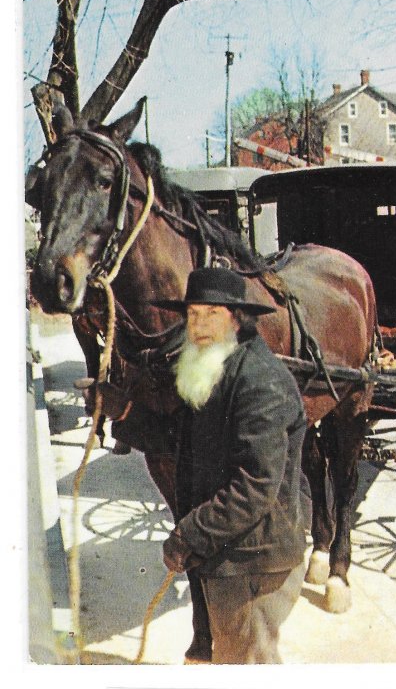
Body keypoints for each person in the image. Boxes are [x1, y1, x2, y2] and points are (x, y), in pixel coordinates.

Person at [80, 267, 308, 664]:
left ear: (237, 319)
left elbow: (255, 486)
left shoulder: (258, 381)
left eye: (212, 314)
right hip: (228, 550)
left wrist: (190, 535)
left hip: (253, 560)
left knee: (246, 664)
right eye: (193, 315)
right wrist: (124, 411)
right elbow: (179, 440)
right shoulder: (214, 367)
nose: (199, 325)